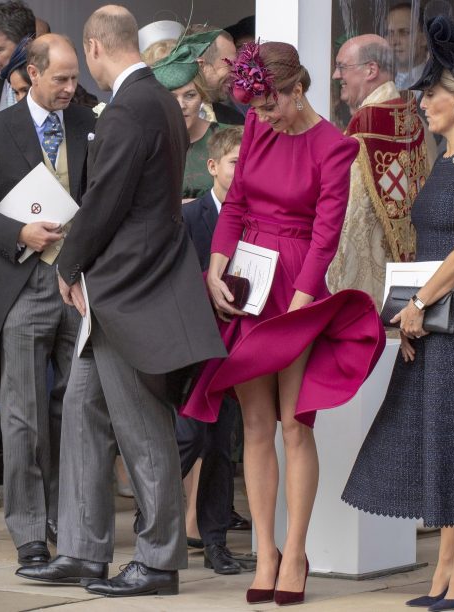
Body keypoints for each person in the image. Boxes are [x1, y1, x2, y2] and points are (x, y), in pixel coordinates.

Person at [17, 5, 225, 597]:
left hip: (129, 287)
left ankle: (158, 562)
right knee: (83, 413)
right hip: (125, 285)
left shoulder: (132, 105)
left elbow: (107, 198)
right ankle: (84, 553)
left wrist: (71, 261)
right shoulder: (158, 98)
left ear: (94, 48)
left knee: (141, 425)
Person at [182, 40, 384, 606]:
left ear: (299, 90)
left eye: (270, 105)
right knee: (255, 426)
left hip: (297, 282)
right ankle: (265, 550)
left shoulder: (335, 147)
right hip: (249, 277)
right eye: (255, 107)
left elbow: (326, 236)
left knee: (296, 425)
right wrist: (217, 266)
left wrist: (300, 307)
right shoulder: (255, 130)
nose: (261, 116)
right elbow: (238, 203)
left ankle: (295, 550)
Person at [342, 16, 454, 611]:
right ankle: (448, 566)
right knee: (442, 439)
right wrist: (412, 313)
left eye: (430, 96)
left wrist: (417, 305)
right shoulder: (446, 158)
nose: (422, 106)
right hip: (440, 318)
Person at [0, 33, 96, 568]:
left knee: (78, 409)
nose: (69, 87)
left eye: (74, 77)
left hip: (80, 283)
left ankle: (72, 518)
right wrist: (21, 233)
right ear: (31, 74)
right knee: (22, 415)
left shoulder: (89, 124)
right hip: (21, 287)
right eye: (60, 78)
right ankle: (30, 531)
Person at [178, 125, 250, 574]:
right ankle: (158, 521)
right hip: (196, 347)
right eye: (233, 163)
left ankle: (216, 542)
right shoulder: (190, 218)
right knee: (187, 439)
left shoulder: (258, 219)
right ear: (212, 167)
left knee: (224, 445)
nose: (241, 171)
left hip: (239, 350)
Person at [328, 34, 430, 306]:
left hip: (369, 282)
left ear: (371, 70)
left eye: (342, 67)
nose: (336, 74)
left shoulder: (366, 124)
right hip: (410, 267)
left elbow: (350, 213)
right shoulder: (411, 117)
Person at [146, 31, 222, 201]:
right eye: (171, 97)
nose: (181, 106)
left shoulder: (227, 138)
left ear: (201, 94)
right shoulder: (145, 144)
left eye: (190, 95)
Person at [189, 25, 244, 125]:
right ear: (201, 66)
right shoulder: (162, 116)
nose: (236, 74)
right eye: (230, 64)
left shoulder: (235, 122)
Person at [388, 2, 428, 91]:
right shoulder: (379, 83)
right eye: (390, 33)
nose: (394, 41)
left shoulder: (434, 83)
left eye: (404, 32)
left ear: (424, 39)